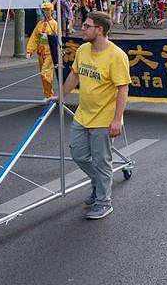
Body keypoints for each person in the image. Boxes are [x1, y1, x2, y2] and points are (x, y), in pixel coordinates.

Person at [52, 11, 130, 220]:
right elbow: (74, 74)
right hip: (83, 114)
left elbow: (123, 89)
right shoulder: (83, 49)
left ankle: (104, 202)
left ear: (100, 30)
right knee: (78, 154)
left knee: (102, 161)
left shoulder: (117, 56)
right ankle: (98, 182)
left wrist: (117, 120)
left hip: (104, 119)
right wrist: (61, 96)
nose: (82, 29)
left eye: (87, 26)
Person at [27, 1, 59, 100]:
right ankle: (48, 94)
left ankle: (50, 94)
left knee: (46, 72)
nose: (46, 12)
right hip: (41, 53)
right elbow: (34, 37)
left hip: (50, 52)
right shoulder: (39, 24)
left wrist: (58, 49)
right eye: (45, 10)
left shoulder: (54, 24)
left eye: (48, 10)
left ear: (51, 11)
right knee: (43, 74)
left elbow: (58, 38)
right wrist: (30, 50)